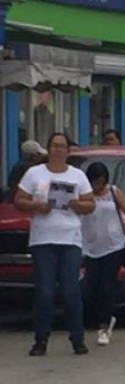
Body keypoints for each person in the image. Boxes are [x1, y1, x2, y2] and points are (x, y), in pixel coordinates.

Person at [13, 132, 96, 356]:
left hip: (70, 240)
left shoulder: (77, 176)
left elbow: (90, 204)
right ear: (48, 149)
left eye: (62, 146)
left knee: (71, 291)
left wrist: (77, 204)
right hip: (43, 240)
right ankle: (41, 339)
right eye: (54, 145)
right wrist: (35, 205)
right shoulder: (34, 173)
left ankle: (77, 338)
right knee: (45, 291)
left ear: (68, 150)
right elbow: (18, 199)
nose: (58, 149)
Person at [81, 161, 125, 346]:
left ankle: (104, 324)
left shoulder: (114, 193)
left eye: (100, 182)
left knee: (106, 286)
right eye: (94, 182)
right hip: (91, 247)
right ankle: (101, 318)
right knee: (90, 287)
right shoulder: (84, 195)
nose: (97, 186)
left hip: (114, 245)